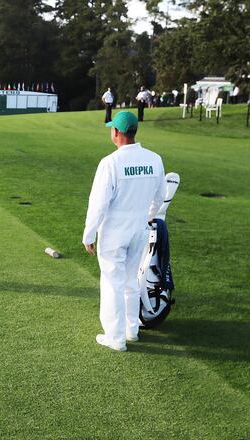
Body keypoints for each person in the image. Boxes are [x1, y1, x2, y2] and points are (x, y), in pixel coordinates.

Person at [82, 111, 166, 351]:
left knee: (112, 282)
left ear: (117, 133)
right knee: (130, 280)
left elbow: (98, 203)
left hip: (113, 232)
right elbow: (160, 196)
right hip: (139, 228)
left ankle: (115, 337)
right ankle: (131, 330)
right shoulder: (154, 159)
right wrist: (148, 216)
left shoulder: (110, 163)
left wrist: (89, 234)